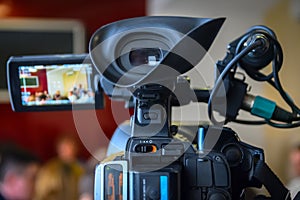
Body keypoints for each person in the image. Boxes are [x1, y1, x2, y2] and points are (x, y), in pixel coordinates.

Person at [34, 135, 85, 200]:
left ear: (75, 149)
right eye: (63, 148)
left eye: (69, 147)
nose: (66, 151)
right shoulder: (49, 169)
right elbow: (41, 191)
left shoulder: (82, 169)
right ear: (58, 149)